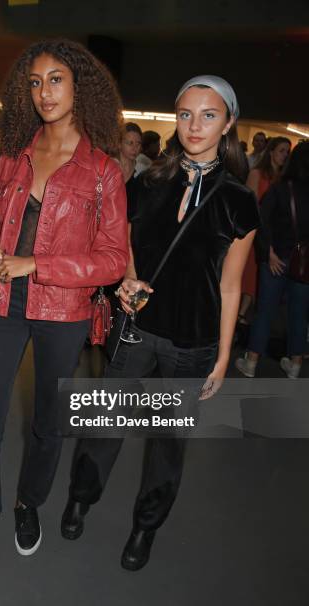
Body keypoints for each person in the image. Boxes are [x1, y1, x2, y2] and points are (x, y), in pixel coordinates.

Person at [62, 75, 260, 570]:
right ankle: (82, 495)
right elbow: (122, 243)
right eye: (187, 113)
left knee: (168, 445)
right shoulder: (147, 181)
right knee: (106, 424)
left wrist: (221, 357)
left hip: (192, 341)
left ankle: (144, 527)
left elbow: (231, 285)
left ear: (229, 122)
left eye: (209, 114)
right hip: (138, 329)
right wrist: (127, 278)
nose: (195, 125)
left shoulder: (238, 200)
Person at [0, 39, 128, 560]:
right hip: (2, 300)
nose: (44, 92)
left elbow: (114, 259)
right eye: (34, 81)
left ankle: (30, 503)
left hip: (65, 311)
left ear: (79, 87)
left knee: (48, 424)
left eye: (56, 80)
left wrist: (40, 266)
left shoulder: (103, 172)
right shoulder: (12, 156)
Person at [235, 141, 309, 379]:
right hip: (303, 263)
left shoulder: (279, 189)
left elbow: (262, 220)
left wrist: (269, 253)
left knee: (265, 310)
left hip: (276, 258)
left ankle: (252, 362)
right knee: (299, 314)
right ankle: (296, 364)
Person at [238, 137, 291, 326]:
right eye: (281, 151)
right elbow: (250, 207)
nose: (285, 155)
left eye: (287, 151)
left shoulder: (285, 180)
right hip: (255, 233)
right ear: (271, 152)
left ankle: (244, 318)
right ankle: (241, 317)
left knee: (260, 282)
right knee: (249, 276)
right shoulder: (257, 174)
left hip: (276, 237)